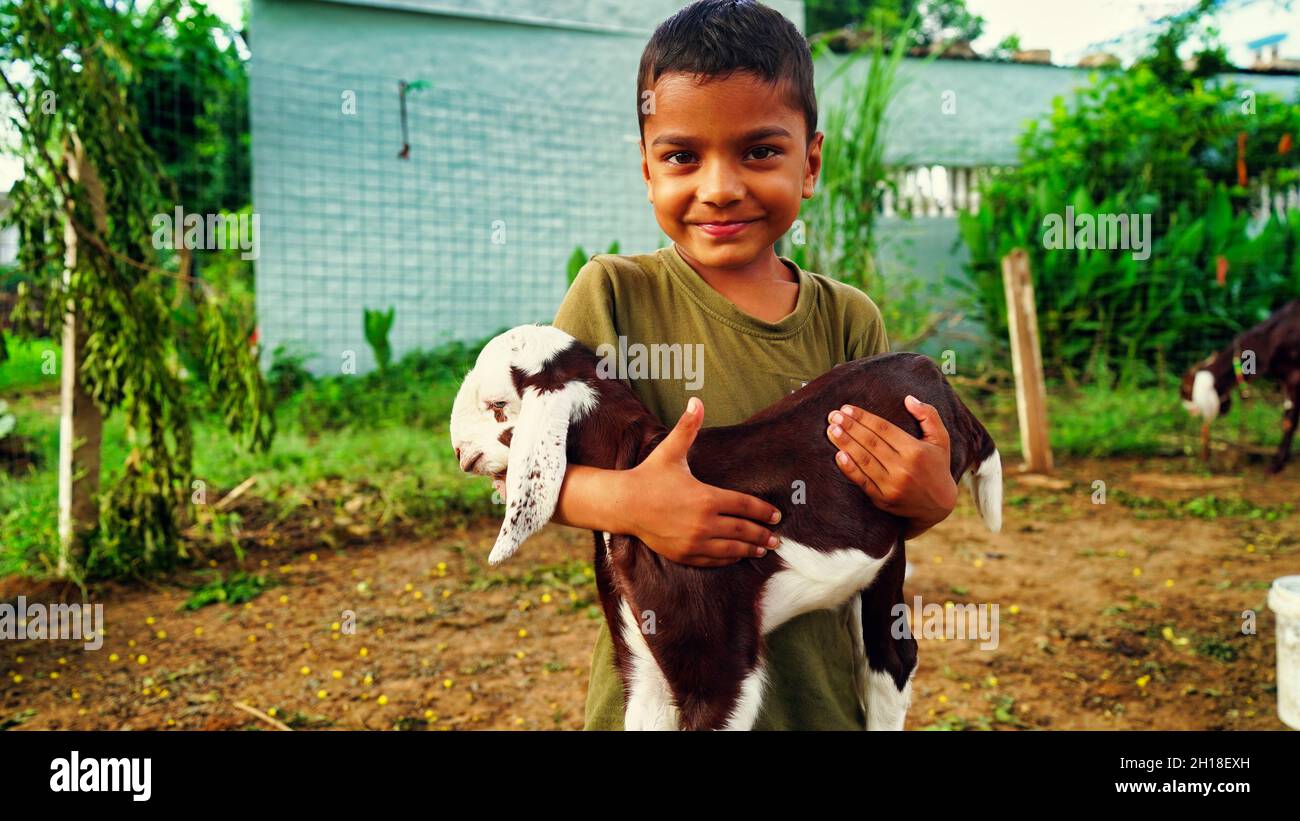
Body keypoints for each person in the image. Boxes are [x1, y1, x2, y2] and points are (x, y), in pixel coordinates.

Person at [551, 0, 958, 730]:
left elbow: (869, 511)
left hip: (817, 698)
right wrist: (633, 504)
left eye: (759, 152)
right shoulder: (612, 295)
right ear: (646, 169)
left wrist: (927, 499)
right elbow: (529, 476)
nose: (720, 187)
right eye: (683, 157)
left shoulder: (848, 320)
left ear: (811, 163)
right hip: (664, 699)